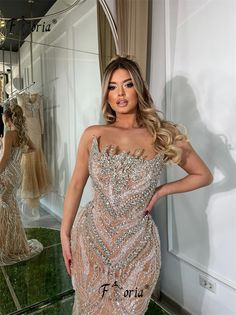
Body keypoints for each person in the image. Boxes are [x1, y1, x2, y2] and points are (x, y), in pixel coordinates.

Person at [61, 56, 213, 315]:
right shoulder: (93, 134)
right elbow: (76, 185)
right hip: (91, 242)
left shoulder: (163, 134)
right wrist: (64, 233)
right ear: (106, 94)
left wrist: (162, 190)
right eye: (112, 86)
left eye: (127, 84)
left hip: (138, 249)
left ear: (139, 88)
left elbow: (203, 175)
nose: (120, 93)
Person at [0, 104, 43, 266]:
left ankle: (6, 246)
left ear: (7, 118)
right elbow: (32, 148)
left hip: (7, 173)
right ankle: (13, 244)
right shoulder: (21, 133)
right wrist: (17, 153)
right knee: (9, 207)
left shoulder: (9, 132)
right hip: (16, 172)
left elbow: (4, 159)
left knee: (4, 207)